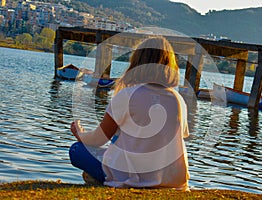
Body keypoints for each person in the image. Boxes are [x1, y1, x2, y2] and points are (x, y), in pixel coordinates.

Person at [69, 36, 190, 190]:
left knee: (77, 150)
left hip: (132, 178)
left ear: (137, 63)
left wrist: (80, 134)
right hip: (172, 181)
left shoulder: (127, 95)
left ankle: (103, 179)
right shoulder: (178, 100)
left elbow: (98, 139)